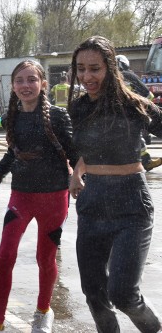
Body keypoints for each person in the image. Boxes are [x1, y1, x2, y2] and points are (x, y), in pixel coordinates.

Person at [68, 36, 162, 333]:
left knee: (121, 293)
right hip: (92, 203)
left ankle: (153, 327)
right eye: (81, 69)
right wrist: (76, 171)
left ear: (110, 68)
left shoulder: (135, 106)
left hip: (131, 204)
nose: (86, 77)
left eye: (94, 69)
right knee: (94, 293)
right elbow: (85, 148)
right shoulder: (77, 108)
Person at [0, 60, 77, 333]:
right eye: (20, 80)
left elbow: (74, 152)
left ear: (43, 84)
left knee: (45, 259)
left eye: (31, 79)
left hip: (54, 199)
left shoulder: (58, 116)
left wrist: (80, 178)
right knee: (5, 254)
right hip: (21, 197)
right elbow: (12, 153)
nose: (25, 85)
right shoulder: (12, 116)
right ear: (13, 86)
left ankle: (44, 311)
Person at [116, 54, 162, 172]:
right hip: (134, 113)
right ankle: (145, 162)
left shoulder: (112, 78)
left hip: (117, 116)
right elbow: (149, 95)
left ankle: (143, 161)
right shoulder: (129, 76)